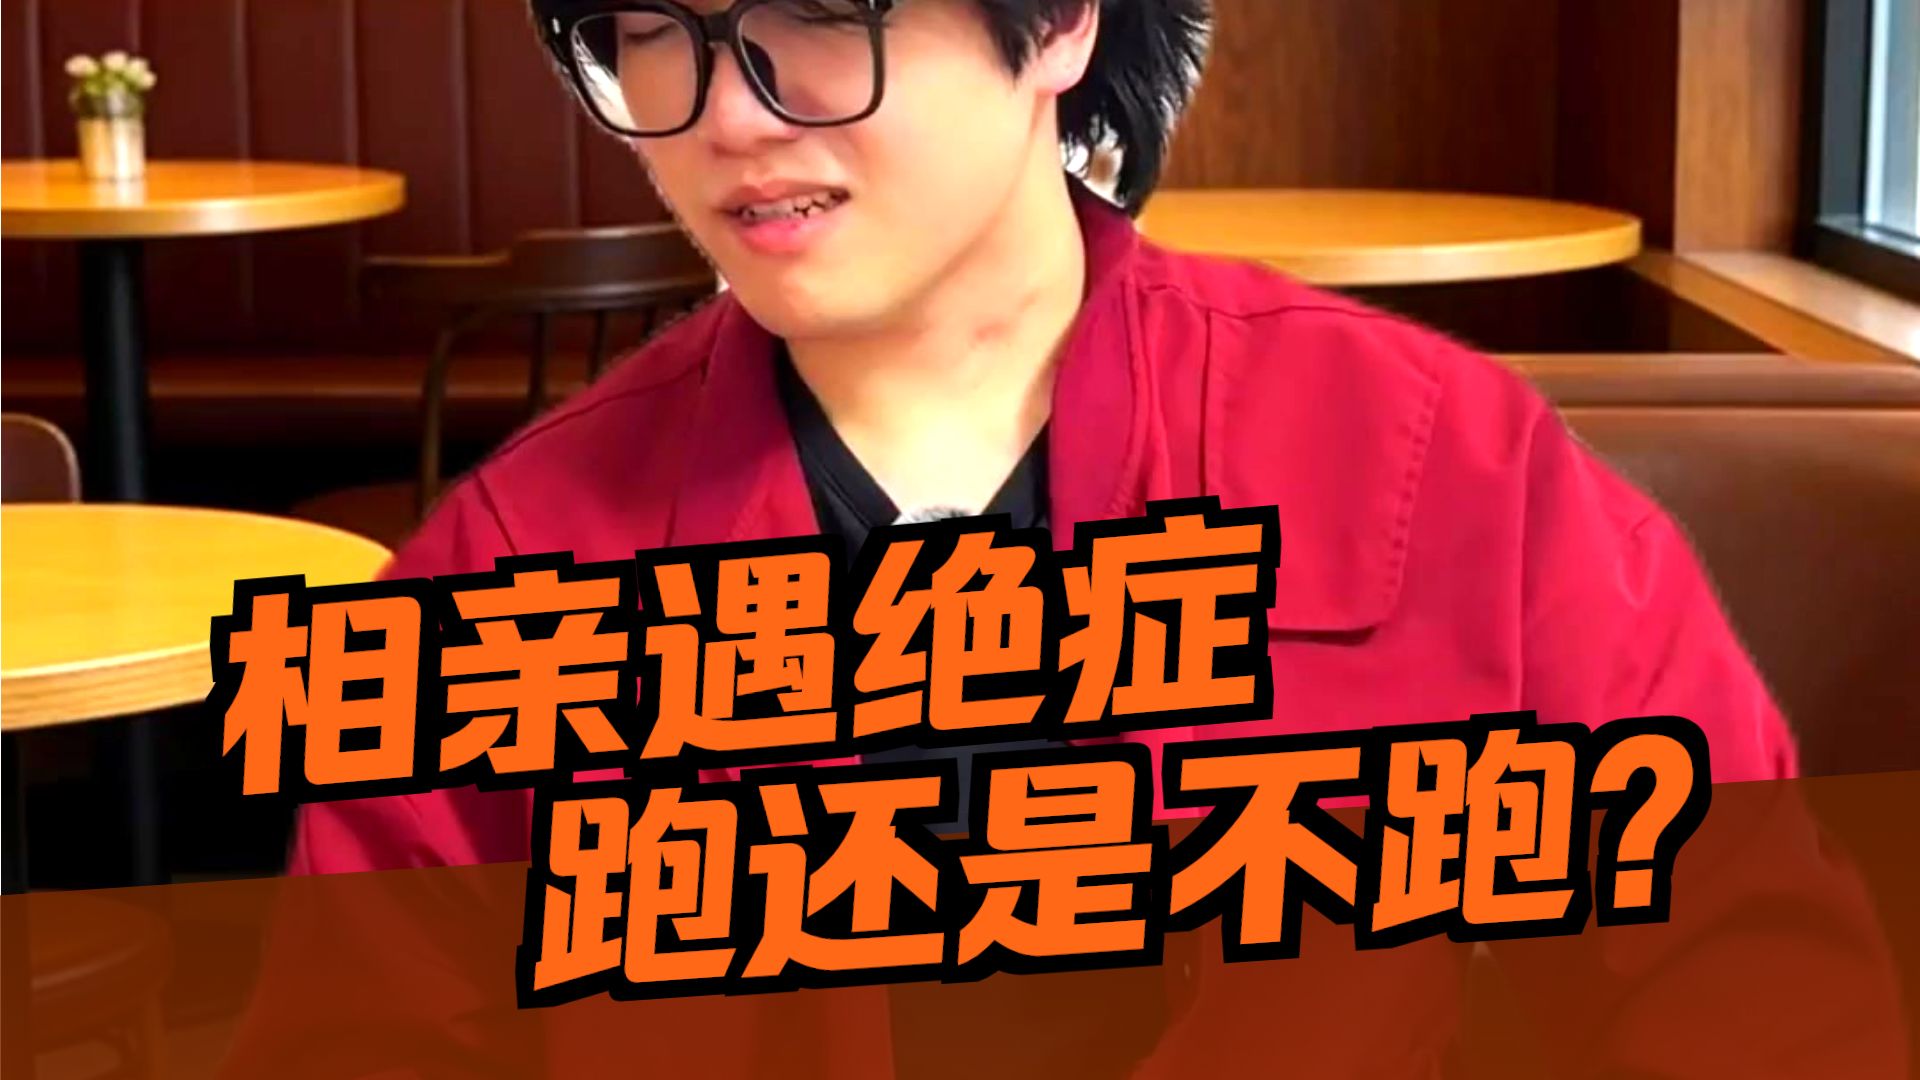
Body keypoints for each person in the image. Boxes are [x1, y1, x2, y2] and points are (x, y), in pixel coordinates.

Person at [258, 1, 1904, 1076]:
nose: (728, 119)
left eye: (819, 18)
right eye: (656, 34)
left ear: (1055, 22)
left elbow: (1763, 990)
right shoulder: (518, 564)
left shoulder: (1443, 469)